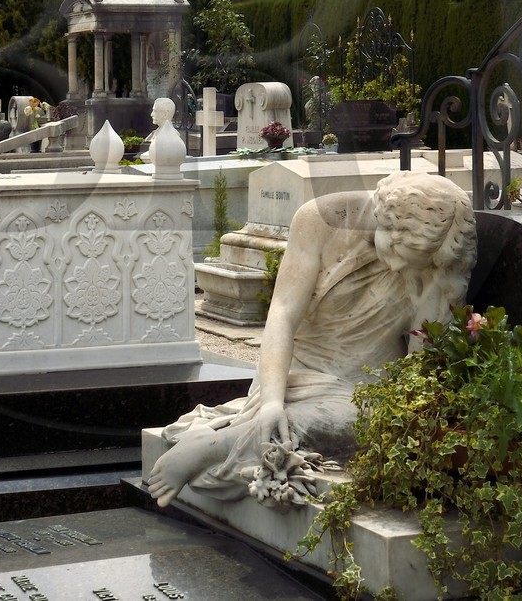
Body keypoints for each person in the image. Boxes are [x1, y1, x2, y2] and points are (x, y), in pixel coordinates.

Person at [146, 171, 476, 506]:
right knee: (284, 422)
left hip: (365, 393)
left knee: (360, 422)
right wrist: (272, 399)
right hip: (295, 374)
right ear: (389, 225)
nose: (397, 268)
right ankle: (214, 445)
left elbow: (421, 365)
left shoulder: (433, 262)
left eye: (412, 263)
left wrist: (439, 288)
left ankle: (216, 444)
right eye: (400, 255)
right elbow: (283, 314)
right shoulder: (319, 221)